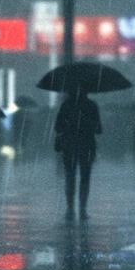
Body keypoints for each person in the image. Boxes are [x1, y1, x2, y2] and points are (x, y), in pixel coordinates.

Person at [55, 89, 102, 220]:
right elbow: (99, 129)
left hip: (69, 146)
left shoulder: (66, 106)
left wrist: (70, 126)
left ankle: (70, 209)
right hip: (86, 146)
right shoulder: (91, 106)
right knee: (85, 178)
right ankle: (82, 210)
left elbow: (57, 127)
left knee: (70, 177)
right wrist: (86, 125)